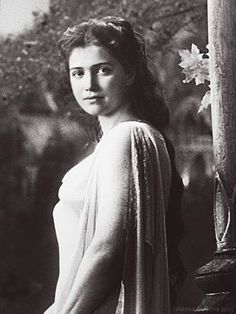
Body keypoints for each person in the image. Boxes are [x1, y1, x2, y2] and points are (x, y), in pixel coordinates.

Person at [44, 16, 185, 314]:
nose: (89, 84)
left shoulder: (128, 137)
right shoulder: (134, 140)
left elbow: (108, 249)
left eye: (103, 70)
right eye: (77, 73)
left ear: (130, 73)